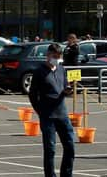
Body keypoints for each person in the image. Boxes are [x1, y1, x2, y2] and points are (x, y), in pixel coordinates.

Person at [28, 43, 75, 177]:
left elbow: (65, 87)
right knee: (50, 149)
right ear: (48, 55)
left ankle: (66, 174)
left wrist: (67, 91)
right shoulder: (39, 72)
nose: (57, 59)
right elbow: (32, 94)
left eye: (59, 56)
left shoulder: (61, 69)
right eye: (55, 56)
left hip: (62, 114)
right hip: (47, 116)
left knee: (70, 146)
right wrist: (40, 110)